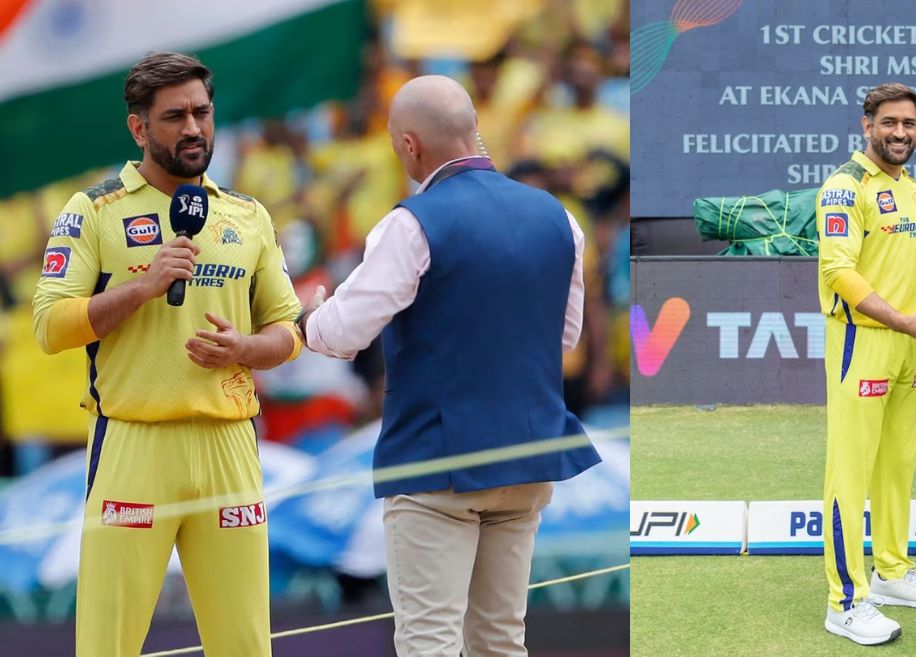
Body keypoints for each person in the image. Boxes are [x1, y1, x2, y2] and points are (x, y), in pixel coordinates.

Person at [297, 75, 602, 657]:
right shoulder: (559, 217)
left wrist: (308, 318)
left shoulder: (411, 222)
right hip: (527, 455)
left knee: (429, 643)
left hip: (438, 462)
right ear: (474, 131)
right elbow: (563, 336)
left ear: (410, 145)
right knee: (500, 642)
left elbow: (341, 334)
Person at [32, 52, 302, 656]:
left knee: (246, 646)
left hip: (228, 445)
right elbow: (50, 326)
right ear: (138, 128)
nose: (193, 129)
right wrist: (141, 288)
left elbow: (289, 331)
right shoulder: (94, 210)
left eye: (202, 113)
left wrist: (246, 347)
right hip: (134, 441)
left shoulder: (247, 215)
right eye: (175, 116)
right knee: (107, 645)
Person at [815, 83, 916, 646]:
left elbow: (902, 246)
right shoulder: (843, 187)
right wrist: (904, 323)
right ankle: (844, 601)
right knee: (849, 476)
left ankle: (892, 573)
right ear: (866, 125)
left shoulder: (906, 184)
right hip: (867, 341)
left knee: (896, 466)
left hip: (908, 342)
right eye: (889, 123)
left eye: (909, 123)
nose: (901, 133)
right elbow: (838, 273)